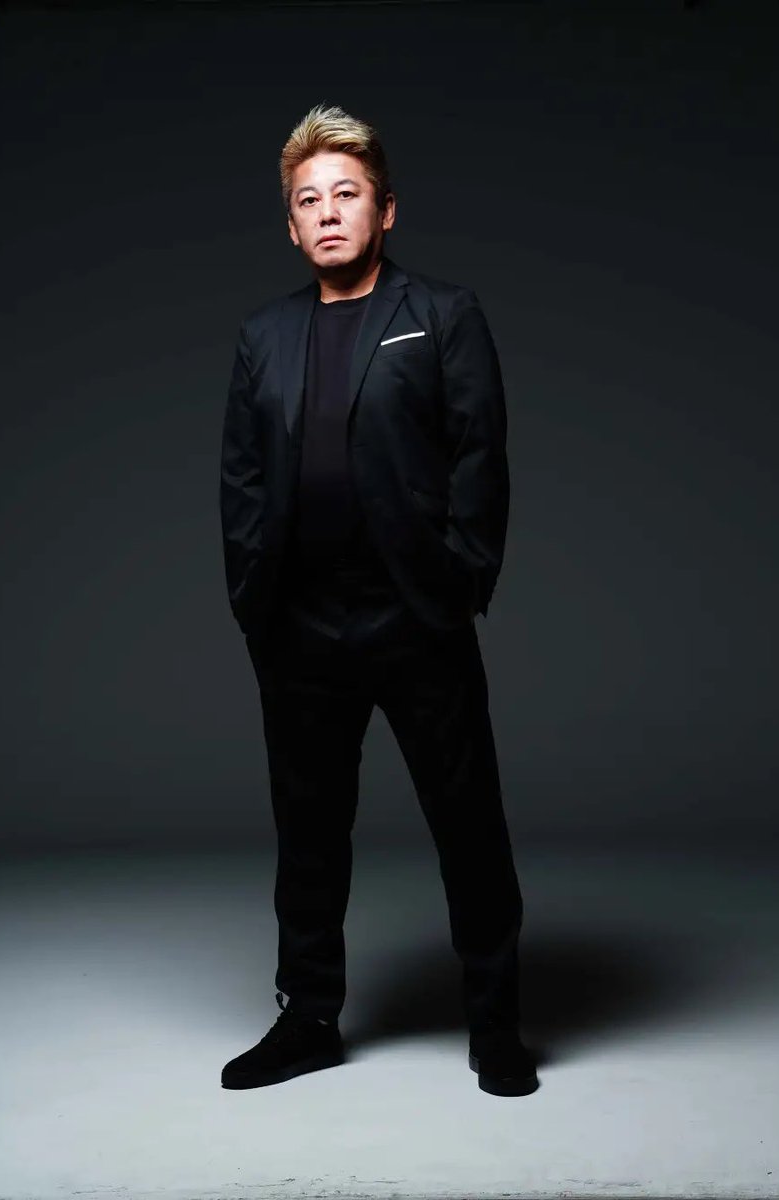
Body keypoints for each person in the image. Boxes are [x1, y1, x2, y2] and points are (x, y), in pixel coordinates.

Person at [218, 103, 537, 1097]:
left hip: (415, 617)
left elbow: (480, 458)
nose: (327, 213)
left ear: (384, 209)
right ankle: (308, 1018)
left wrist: (459, 583)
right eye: (307, 200)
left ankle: (495, 1025)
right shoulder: (264, 335)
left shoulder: (441, 314)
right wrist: (255, 604)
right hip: (301, 625)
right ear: (290, 225)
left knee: (467, 824)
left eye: (345, 194)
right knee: (308, 836)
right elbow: (242, 480)